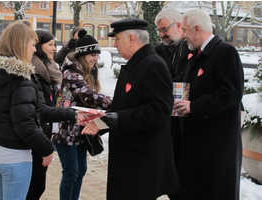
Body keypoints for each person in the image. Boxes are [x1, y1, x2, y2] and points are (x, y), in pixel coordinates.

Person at [82, 18, 179, 200]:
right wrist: (101, 121)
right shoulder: (136, 65)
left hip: (141, 162)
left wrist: (117, 119)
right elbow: (125, 106)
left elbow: (160, 109)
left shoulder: (153, 65)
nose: (115, 45)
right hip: (130, 156)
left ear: (131, 39)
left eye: (117, 39)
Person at [173, 9, 244, 200]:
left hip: (216, 149)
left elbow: (232, 93)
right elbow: (186, 83)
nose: (183, 35)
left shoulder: (225, 52)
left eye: (185, 30)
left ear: (197, 28)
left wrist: (194, 106)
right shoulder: (196, 55)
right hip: (197, 147)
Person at [0, 21, 54, 200]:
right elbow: (25, 124)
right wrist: (47, 148)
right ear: (21, 45)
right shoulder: (22, 78)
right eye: (32, 45)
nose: (34, 50)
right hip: (15, 156)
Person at [52, 29, 112, 200]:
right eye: (93, 54)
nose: (95, 59)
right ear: (83, 54)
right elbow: (90, 97)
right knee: (71, 172)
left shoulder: (87, 72)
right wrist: (121, 100)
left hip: (79, 130)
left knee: (80, 171)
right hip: (64, 130)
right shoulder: (71, 73)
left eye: (97, 55)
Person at [26, 30, 80, 200]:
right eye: (50, 44)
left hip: (46, 130)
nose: (54, 48)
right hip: (35, 133)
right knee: (34, 186)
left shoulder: (50, 69)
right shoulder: (33, 72)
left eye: (55, 44)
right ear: (38, 46)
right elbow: (41, 109)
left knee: (37, 185)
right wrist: (71, 114)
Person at [154, 8, 194, 200]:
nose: (162, 34)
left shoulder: (194, 48)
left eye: (164, 29)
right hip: (167, 120)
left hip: (191, 120)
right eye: (159, 31)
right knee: (170, 171)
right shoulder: (157, 52)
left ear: (179, 25)